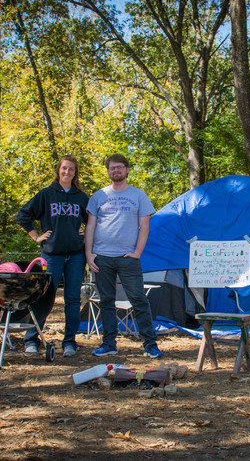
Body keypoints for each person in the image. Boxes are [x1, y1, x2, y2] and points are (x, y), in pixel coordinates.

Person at [84, 153, 163, 358]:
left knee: (139, 300)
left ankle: (150, 345)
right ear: (108, 171)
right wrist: (89, 254)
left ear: (127, 170)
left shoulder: (139, 195)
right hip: (102, 257)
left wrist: (137, 252)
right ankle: (109, 343)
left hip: (128, 259)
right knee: (106, 301)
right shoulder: (98, 196)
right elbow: (90, 227)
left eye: (120, 167)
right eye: (112, 168)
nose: (116, 171)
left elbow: (145, 227)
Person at [16, 155, 89, 357]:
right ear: (58, 170)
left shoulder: (81, 197)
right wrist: (36, 237)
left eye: (71, 169)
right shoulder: (46, 195)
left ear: (75, 173)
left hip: (76, 256)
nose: (67, 172)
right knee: (43, 297)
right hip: (51, 256)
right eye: (64, 168)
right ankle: (32, 339)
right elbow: (23, 216)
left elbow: (93, 221)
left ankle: (69, 342)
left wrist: (85, 231)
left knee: (73, 299)